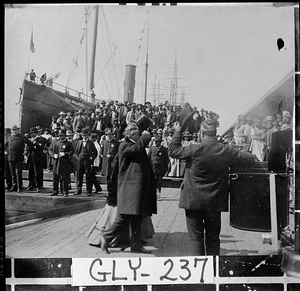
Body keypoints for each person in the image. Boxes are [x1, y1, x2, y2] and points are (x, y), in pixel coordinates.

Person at [168, 118, 256, 256]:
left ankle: (198, 272)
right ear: (215, 133)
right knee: (213, 238)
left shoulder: (194, 149)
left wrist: (178, 132)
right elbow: (248, 158)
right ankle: (213, 269)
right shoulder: (226, 150)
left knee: (195, 239)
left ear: (202, 133)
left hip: (193, 200)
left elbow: (173, 151)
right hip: (214, 202)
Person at [99, 122, 157, 254]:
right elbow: (138, 148)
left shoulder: (132, 144)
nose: (139, 136)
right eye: (138, 134)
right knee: (124, 217)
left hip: (136, 188)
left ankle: (136, 246)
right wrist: (146, 135)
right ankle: (106, 236)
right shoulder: (125, 145)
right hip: (130, 188)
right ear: (131, 134)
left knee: (137, 218)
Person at [48, 129, 74, 197]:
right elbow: (50, 150)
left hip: (64, 163)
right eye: (59, 135)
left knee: (64, 178)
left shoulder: (68, 143)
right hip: (56, 162)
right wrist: (53, 155)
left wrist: (65, 154)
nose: (60, 137)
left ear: (65, 135)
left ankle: (64, 191)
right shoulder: (56, 142)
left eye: (62, 135)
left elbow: (72, 152)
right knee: (55, 177)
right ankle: (55, 190)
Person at [6, 124, 31, 192]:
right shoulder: (9, 138)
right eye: (13, 130)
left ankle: (19, 187)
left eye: (15, 130)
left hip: (18, 157)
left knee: (18, 173)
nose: (14, 131)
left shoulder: (22, 137)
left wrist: (26, 151)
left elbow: (30, 144)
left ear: (18, 130)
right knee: (13, 173)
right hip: (10, 157)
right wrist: (7, 152)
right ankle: (14, 186)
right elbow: (6, 145)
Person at [74, 128, 97, 196]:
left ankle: (89, 191)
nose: (85, 136)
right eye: (83, 135)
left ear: (88, 135)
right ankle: (78, 190)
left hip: (87, 161)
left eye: (86, 135)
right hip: (80, 160)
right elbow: (76, 152)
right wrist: (77, 157)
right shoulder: (79, 142)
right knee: (79, 175)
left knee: (88, 176)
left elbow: (95, 152)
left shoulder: (91, 143)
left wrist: (91, 158)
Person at [148, 135, 170, 200]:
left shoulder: (164, 149)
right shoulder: (152, 148)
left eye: (158, 142)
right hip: (153, 168)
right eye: (156, 142)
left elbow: (166, 160)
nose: (157, 143)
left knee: (159, 182)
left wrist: (166, 169)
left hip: (160, 168)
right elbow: (148, 158)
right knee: (152, 182)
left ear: (160, 142)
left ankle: (158, 195)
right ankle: (152, 195)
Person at [27, 127, 49, 192]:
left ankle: (39, 186)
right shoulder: (30, 140)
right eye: (30, 133)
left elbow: (41, 146)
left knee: (38, 172)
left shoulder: (41, 139)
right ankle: (31, 185)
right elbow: (29, 149)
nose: (31, 135)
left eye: (32, 133)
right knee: (31, 172)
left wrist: (35, 143)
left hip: (38, 157)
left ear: (35, 133)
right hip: (31, 157)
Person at [100, 128, 120, 192]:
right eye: (107, 135)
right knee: (107, 177)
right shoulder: (104, 142)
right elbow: (102, 151)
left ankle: (113, 190)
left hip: (113, 162)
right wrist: (102, 155)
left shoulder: (116, 142)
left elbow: (118, 152)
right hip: (106, 163)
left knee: (113, 176)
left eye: (110, 134)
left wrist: (112, 156)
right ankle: (109, 190)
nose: (108, 136)